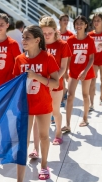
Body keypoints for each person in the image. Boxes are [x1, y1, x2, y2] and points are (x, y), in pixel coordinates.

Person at [5, 25, 59, 182]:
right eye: (23, 37)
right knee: (22, 141)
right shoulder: (19, 59)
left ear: (37, 40)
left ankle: (44, 165)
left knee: (44, 136)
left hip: (43, 104)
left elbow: (56, 83)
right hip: (24, 107)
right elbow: (15, 82)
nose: (24, 40)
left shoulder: (48, 57)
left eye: (27, 37)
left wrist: (36, 76)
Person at [28, 16, 71, 160]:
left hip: (55, 84)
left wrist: (52, 81)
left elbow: (64, 68)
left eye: (49, 33)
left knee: (55, 111)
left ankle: (58, 132)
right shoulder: (38, 44)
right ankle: (35, 148)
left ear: (55, 31)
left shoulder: (62, 45)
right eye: (44, 33)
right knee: (37, 115)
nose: (46, 36)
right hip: (39, 85)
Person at [61, 15, 96, 133]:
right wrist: (65, 71)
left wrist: (85, 71)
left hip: (86, 71)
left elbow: (91, 58)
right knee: (70, 96)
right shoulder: (70, 40)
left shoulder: (90, 39)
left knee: (85, 95)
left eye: (81, 23)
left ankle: (85, 118)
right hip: (74, 72)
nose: (79, 25)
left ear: (86, 25)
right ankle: (67, 124)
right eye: (77, 23)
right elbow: (68, 57)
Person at [59, 14, 74, 107]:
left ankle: (64, 93)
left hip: (67, 60)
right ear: (59, 21)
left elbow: (71, 52)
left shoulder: (70, 35)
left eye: (67, 20)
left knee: (65, 77)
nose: (66, 21)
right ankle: (61, 97)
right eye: (64, 20)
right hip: (57, 60)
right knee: (60, 80)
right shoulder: (56, 33)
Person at [88, 13, 102, 109]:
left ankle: (101, 98)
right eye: (94, 21)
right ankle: (91, 103)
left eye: (98, 20)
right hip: (93, 61)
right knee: (92, 81)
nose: (96, 23)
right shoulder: (90, 35)